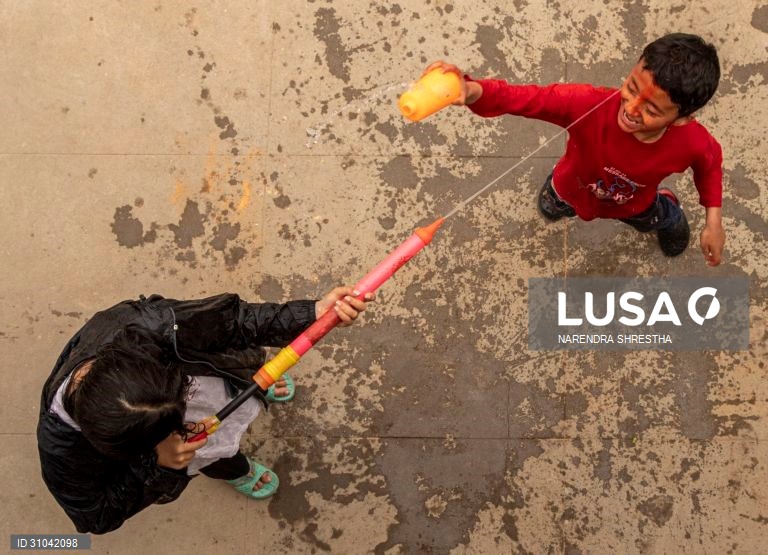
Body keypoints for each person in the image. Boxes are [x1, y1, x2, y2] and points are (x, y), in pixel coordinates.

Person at [37, 287, 374, 534]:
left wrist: (311, 313)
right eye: (176, 425)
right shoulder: (64, 455)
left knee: (241, 383)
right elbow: (95, 516)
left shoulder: (142, 327)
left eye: (181, 394)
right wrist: (162, 467)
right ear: (116, 449)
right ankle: (234, 469)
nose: (189, 419)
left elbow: (231, 322)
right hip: (172, 453)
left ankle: (252, 386)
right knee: (212, 452)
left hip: (214, 376)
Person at [426, 33, 725, 265]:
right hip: (568, 187)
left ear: (684, 117)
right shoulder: (585, 103)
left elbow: (709, 166)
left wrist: (713, 221)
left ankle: (669, 213)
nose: (631, 109)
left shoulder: (692, 141)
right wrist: (471, 90)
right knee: (551, 205)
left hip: (634, 204)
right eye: (632, 88)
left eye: (652, 109)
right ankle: (560, 203)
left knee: (655, 218)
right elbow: (523, 98)